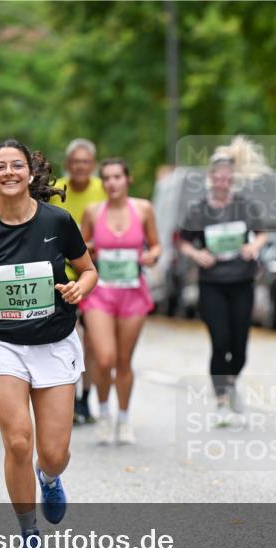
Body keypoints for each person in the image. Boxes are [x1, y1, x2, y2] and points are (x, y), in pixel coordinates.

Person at [0, 139, 97, 548]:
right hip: (4, 345)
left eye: (17, 165)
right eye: (0, 167)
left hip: (54, 343)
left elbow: (89, 271)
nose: (9, 172)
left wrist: (78, 288)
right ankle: (27, 529)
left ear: (30, 174)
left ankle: (49, 478)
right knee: (17, 442)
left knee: (52, 454)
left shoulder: (58, 220)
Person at [179, 141, 267, 425]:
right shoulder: (199, 210)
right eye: (217, 177)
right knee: (220, 341)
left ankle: (230, 383)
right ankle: (220, 403)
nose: (222, 181)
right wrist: (196, 253)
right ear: (210, 178)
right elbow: (182, 241)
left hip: (242, 281)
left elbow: (262, 234)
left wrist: (255, 247)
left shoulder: (244, 206)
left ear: (233, 179)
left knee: (240, 346)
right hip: (212, 283)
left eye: (227, 177)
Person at [79, 158, 161, 445]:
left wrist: (152, 256)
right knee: (104, 358)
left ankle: (124, 418)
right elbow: (79, 251)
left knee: (124, 361)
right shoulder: (93, 211)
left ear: (128, 179)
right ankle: (103, 414)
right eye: (107, 178)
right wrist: (88, 249)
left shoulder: (143, 209)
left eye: (117, 177)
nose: (112, 183)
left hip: (132, 293)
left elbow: (156, 244)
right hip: (100, 293)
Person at [49, 138, 107, 425]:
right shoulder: (57, 188)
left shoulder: (104, 188)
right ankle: (68, 396)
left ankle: (86, 398)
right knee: (70, 339)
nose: (81, 167)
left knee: (95, 343)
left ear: (93, 165)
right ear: (68, 165)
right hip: (64, 277)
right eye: (76, 162)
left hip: (100, 273)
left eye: (86, 162)